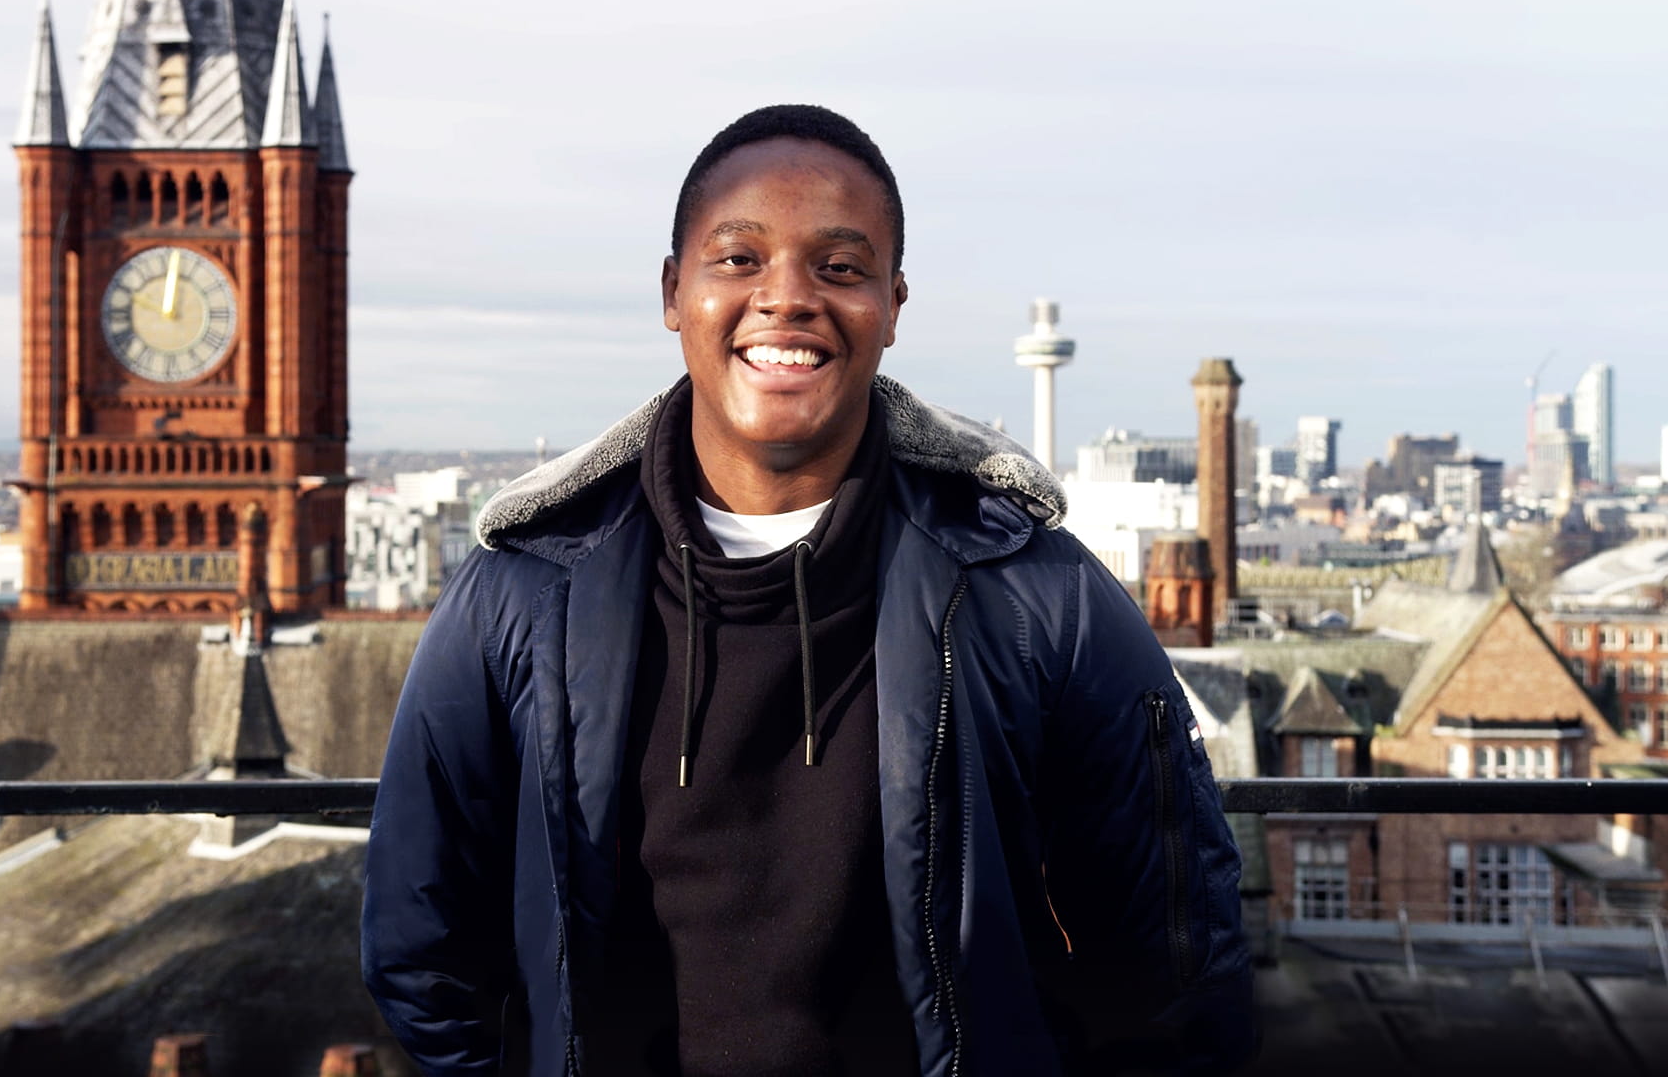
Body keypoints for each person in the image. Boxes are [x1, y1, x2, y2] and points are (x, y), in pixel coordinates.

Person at [362, 104, 1255, 1076]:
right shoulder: (521, 594)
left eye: (839, 266)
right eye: (738, 258)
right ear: (674, 291)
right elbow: (421, 947)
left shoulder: (1034, 593)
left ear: (894, 303)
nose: (786, 297)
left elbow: (1172, 961)